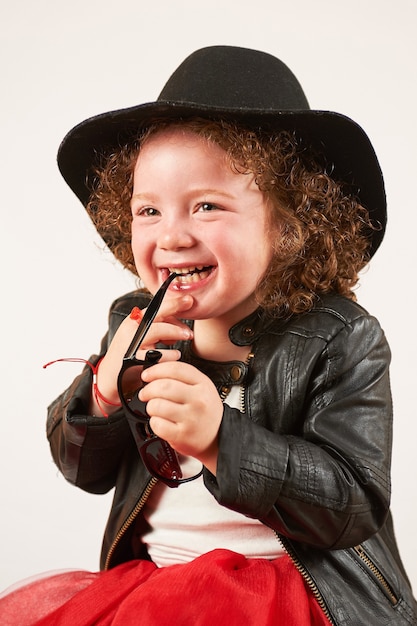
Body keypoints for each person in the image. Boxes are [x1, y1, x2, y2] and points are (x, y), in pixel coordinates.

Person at [1, 45, 416, 625]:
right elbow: (82, 469)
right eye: (148, 211)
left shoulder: (341, 338)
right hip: (155, 591)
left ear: (292, 223)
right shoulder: (137, 319)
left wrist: (223, 440)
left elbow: (353, 505)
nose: (171, 236)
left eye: (205, 206)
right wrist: (104, 393)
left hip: (292, 596)